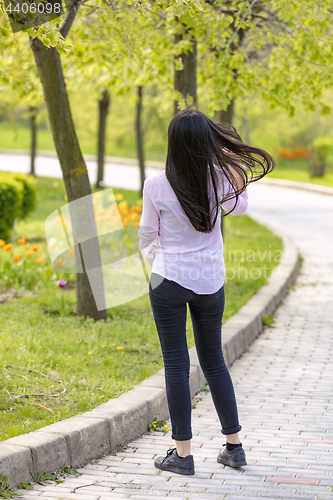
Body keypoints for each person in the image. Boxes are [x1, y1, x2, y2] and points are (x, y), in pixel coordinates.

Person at [138, 109, 275, 476]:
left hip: (168, 281)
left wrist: (157, 256)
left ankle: (182, 456)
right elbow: (241, 207)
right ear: (206, 142)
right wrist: (232, 168)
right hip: (210, 283)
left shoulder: (156, 184)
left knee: (177, 365)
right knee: (214, 361)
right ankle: (234, 448)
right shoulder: (219, 180)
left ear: (173, 143)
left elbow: (147, 235)